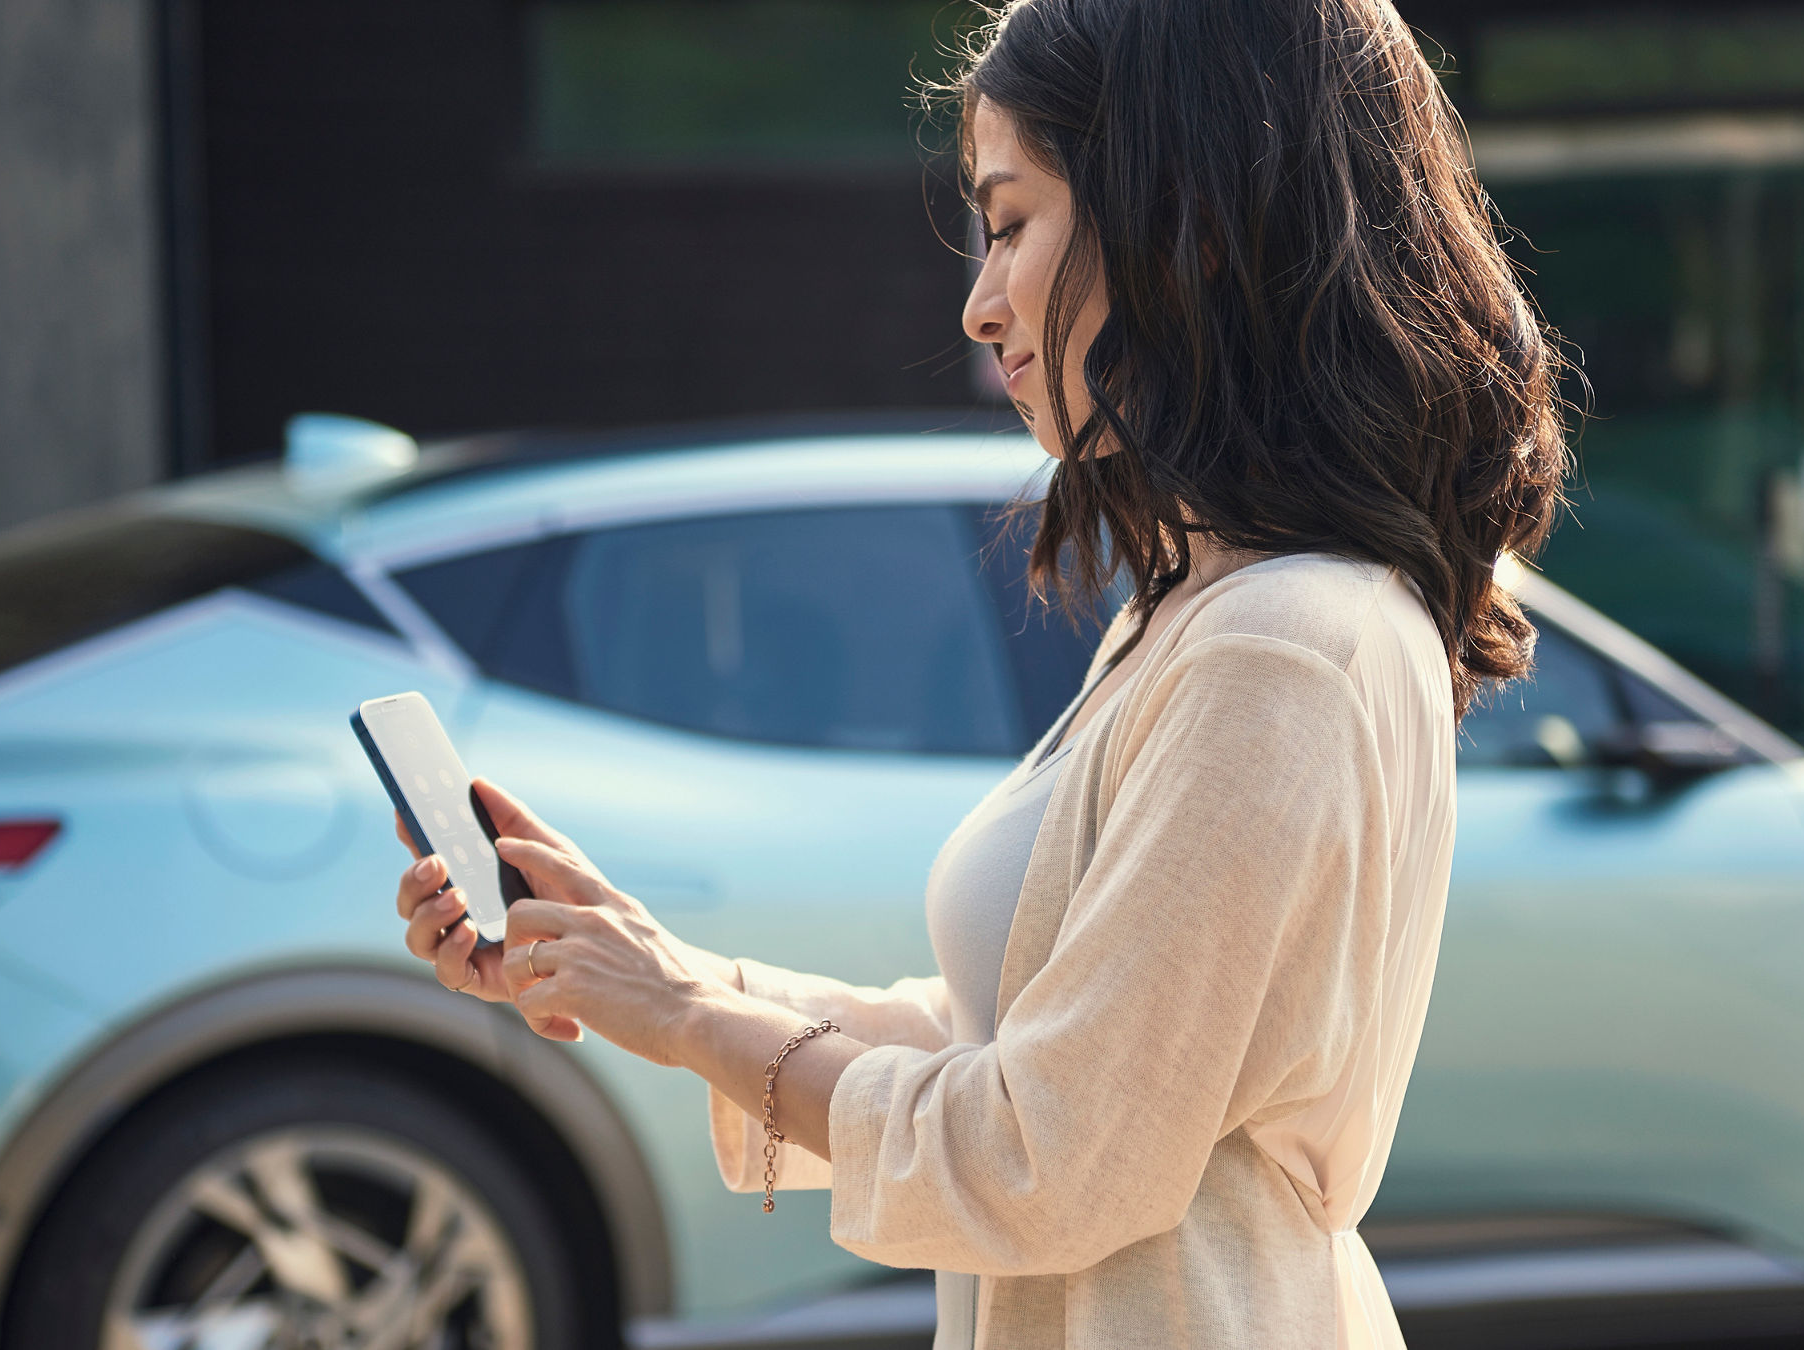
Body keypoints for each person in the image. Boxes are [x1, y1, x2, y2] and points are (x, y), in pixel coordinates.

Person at [390, 0, 1567, 1343]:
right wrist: (660, 971)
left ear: (1184, 224)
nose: (980, 300)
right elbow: (1028, 1049)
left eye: (1010, 224)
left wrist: (681, 1014)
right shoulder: (1210, 609)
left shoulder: (1280, 644)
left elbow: (1050, 1151)